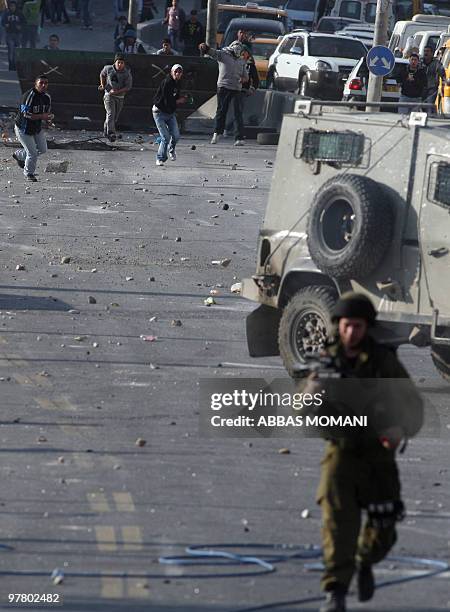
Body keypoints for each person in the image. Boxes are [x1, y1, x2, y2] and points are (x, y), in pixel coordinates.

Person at [299, 293, 423, 612]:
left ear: (366, 327)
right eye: (346, 326)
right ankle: (335, 591)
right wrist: (314, 390)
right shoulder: (326, 361)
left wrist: (399, 429)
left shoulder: (383, 362)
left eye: (357, 326)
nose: (351, 332)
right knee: (337, 526)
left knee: (384, 527)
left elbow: (413, 405)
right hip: (341, 454)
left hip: (377, 456)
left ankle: (365, 561)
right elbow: (303, 410)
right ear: (338, 326)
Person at [199, 40, 248, 146]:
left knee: (237, 113)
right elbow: (212, 52)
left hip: (236, 89)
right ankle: (217, 133)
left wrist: (243, 79)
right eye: (236, 48)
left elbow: (246, 77)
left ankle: (239, 138)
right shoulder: (223, 54)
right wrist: (205, 48)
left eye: (240, 50)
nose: (238, 51)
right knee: (221, 111)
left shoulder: (241, 61)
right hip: (224, 87)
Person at [13, 74, 53, 182]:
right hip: (23, 128)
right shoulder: (29, 96)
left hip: (36, 128)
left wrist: (48, 120)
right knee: (32, 153)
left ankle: (19, 154)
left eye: (46, 83)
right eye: (41, 83)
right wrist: (42, 116)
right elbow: (25, 114)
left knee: (43, 149)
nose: (44, 85)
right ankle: (28, 173)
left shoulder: (47, 97)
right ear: (36, 84)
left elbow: (46, 113)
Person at [152, 63, 187, 166]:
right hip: (159, 112)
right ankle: (160, 158)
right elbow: (168, 100)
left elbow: (175, 96)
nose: (177, 74)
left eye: (179, 72)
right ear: (172, 72)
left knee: (176, 136)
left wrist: (182, 98)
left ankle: (171, 150)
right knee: (165, 137)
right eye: (176, 71)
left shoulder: (178, 83)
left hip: (170, 113)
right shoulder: (167, 82)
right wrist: (179, 101)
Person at [225, 44, 259, 135]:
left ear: (248, 54)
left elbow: (256, 80)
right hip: (230, 88)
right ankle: (225, 128)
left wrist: (252, 88)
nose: (243, 55)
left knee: (238, 111)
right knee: (226, 110)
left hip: (242, 91)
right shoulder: (234, 62)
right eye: (241, 53)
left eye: (245, 54)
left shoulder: (250, 66)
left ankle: (235, 131)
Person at [99, 53, 132, 142]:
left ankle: (106, 131)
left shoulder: (126, 73)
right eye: (118, 62)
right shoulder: (108, 68)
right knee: (110, 113)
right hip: (109, 95)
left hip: (120, 97)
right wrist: (103, 84)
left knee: (115, 116)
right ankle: (111, 133)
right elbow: (102, 74)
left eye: (122, 63)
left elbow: (128, 87)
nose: (120, 65)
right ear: (115, 62)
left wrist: (117, 91)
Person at [1, 0, 25, 71]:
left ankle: (15, 65)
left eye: (13, 6)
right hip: (9, 34)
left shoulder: (19, 14)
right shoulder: (7, 14)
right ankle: (11, 66)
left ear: (16, 6)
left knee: (16, 51)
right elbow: (2, 22)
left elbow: (24, 22)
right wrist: (5, 24)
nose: (12, 7)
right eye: (11, 6)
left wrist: (21, 26)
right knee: (11, 50)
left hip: (18, 34)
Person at [422, 45, 445, 110]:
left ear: (432, 53)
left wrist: (443, 84)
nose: (426, 53)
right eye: (424, 51)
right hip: (420, 89)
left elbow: (442, 74)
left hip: (431, 89)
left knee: (429, 107)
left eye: (428, 51)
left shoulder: (437, 63)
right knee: (420, 107)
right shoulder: (420, 62)